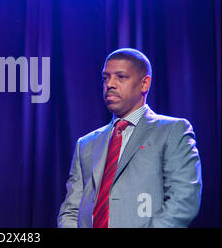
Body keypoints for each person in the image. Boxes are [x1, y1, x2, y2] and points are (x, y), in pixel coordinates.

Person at [57, 48, 202, 228]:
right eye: (106, 77)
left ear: (144, 84)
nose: (110, 84)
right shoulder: (86, 144)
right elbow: (71, 210)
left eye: (121, 77)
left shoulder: (172, 130)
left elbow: (184, 199)